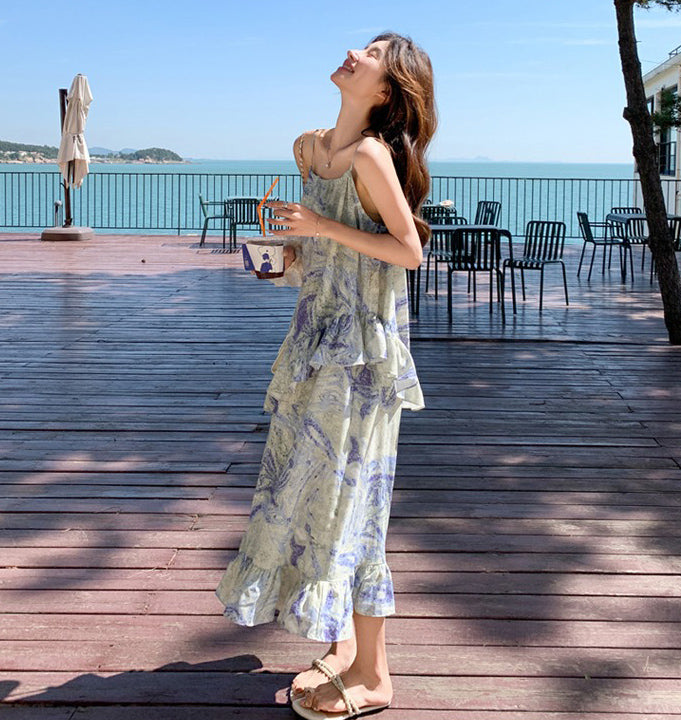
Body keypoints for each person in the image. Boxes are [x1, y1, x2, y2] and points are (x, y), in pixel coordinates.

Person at [216, 31, 437, 719]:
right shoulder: (308, 149)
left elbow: (408, 252)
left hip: (362, 353)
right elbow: (322, 253)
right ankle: (342, 648)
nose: (355, 52)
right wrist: (287, 255)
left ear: (385, 89)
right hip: (313, 338)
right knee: (307, 492)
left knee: (352, 503)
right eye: (362, 44)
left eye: (373, 53)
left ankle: (374, 674)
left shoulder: (372, 154)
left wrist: (321, 225)